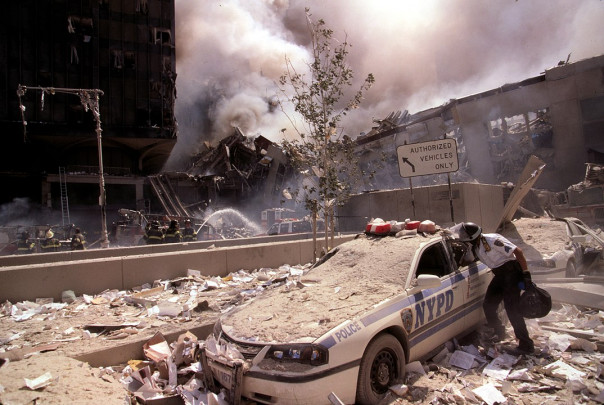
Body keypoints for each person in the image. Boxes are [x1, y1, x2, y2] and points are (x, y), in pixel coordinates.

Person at [458, 222, 534, 355]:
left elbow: (518, 252)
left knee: (512, 310)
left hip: (512, 273)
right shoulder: (476, 247)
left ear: (472, 237)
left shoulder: (492, 240)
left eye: (465, 235)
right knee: (488, 305)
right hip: (500, 275)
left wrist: (526, 274)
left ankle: (526, 345)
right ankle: (499, 332)